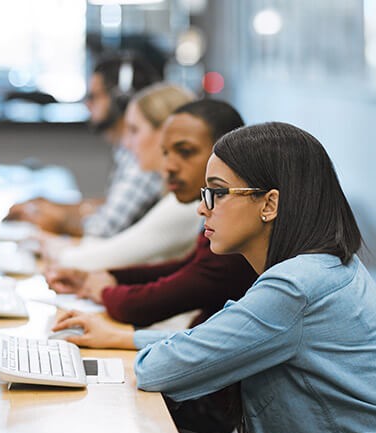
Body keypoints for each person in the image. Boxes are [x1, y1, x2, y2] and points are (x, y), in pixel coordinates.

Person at [53, 122, 376, 433]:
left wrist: (132, 348)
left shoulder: (294, 287)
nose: (202, 210)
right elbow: (219, 341)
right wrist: (124, 338)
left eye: (218, 193)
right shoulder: (323, 266)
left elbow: (159, 370)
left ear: (269, 204)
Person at [46, 100, 256, 330]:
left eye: (185, 152)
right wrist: (110, 279)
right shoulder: (208, 209)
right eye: (165, 153)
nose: (169, 167)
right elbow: (188, 267)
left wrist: (106, 291)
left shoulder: (233, 221)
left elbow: (188, 285)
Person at [6, 55, 163, 237]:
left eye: (93, 97)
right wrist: (51, 206)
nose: (87, 104)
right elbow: (109, 206)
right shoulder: (127, 152)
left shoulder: (141, 159)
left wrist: (48, 217)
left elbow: (102, 230)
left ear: (121, 100)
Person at [50, 82, 198, 270]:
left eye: (134, 130)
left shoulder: (184, 203)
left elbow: (103, 256)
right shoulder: (172, 194)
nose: (127, 144)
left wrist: (50, 248)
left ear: (166, 133)